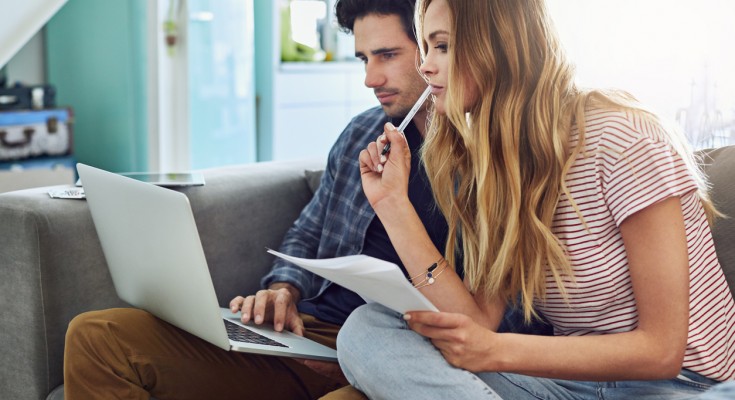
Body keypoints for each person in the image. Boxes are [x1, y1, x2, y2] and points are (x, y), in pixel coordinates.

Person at [337, 0, 735, 399]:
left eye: (442, 46)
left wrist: (495, 352)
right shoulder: (496, 168)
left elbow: (661, 351)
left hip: (683, 385)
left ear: (499, 45)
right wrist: (392, 204)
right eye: (426, 47)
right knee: (366, 329)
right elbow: (473, 320)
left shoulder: (621, 136)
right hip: (576, 388)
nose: (426, 66)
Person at [62, 1, 443, 399]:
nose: (370, 77)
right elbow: (306, 232)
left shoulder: (481, 162)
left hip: (392, 351)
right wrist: (283, 292)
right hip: (311, 333)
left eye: (387, 55)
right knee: (96, 337)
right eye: (364, 58)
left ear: (434, 49)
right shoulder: (361, 134)